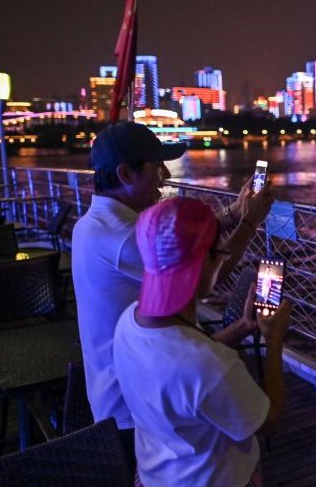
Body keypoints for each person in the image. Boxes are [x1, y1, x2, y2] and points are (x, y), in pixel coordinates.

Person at [72, 122, 273, 468]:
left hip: (134, 375)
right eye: (156, 166)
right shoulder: (122, 237)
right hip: (136, 402)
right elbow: (208, 273)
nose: (165, 175)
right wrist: (250, 223)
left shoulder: (93, 223)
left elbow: (176, 239)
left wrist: (233, 214)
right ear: (125, 173)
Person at [113, 197, 291, 486]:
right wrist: (273, 341)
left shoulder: (128, 323)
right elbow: (269, 419)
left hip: (154, 475)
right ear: (201, 263)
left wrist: (243, 326)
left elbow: (182, 367)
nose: (222, 259)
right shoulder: (211, 365)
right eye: (217, 252)